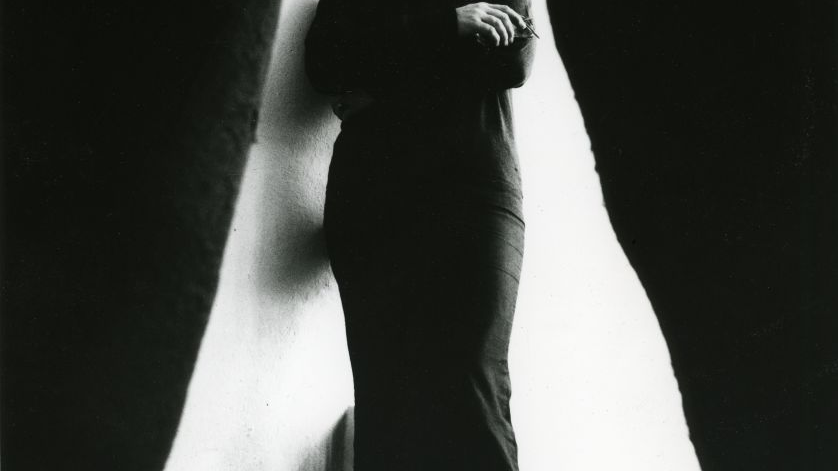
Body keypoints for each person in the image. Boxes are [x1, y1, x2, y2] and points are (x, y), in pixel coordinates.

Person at [305, 2, 536, 470]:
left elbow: (511, 62)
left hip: (473, 189)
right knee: (385, 394)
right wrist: (448, 26)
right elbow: (325, 62)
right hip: (371, 193)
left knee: (472, 380)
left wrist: (385, 76)